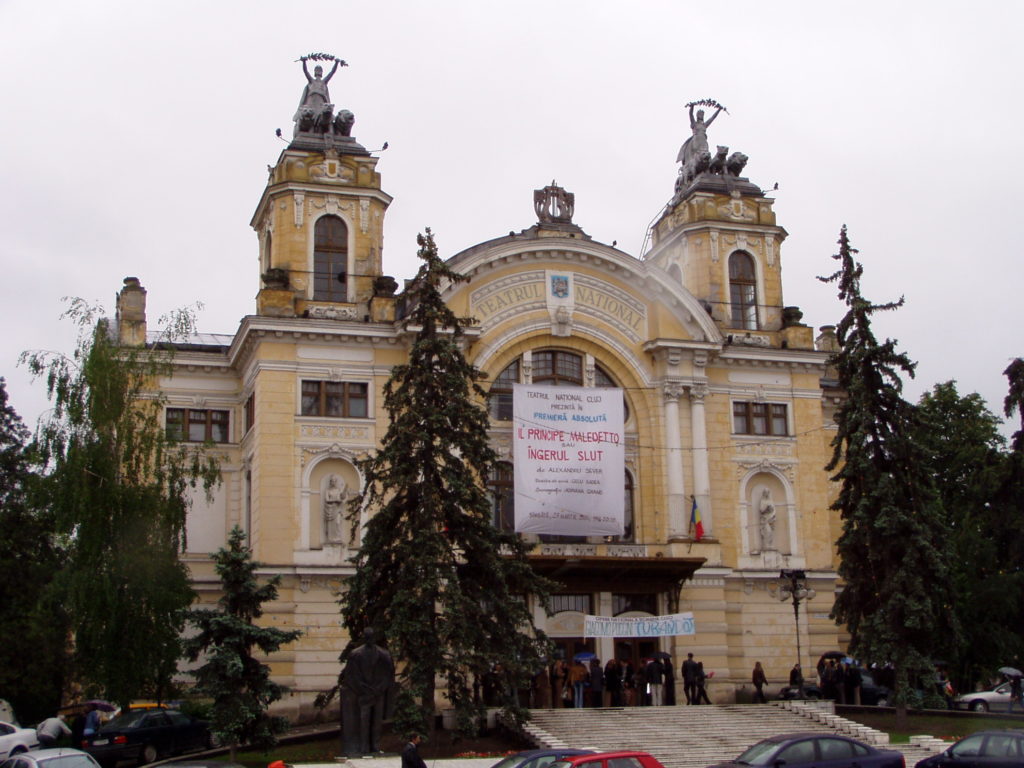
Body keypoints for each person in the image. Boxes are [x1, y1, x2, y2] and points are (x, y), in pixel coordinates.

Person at [341, 628, 395, 755]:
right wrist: (363, 689)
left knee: (377, 721)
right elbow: (351, 675)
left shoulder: (384, 654)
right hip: (363, 693)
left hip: (378, 693)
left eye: (371, 637)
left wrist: (379, 688)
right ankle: (363, 748)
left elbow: (389, 674)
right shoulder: (355, 654)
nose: (370, 639)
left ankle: (375, 746)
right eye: (367, 637)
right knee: (364, 721)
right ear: (364, 638)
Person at [294, 57, 342, 123]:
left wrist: (336, 63)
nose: (318, 72)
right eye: (317, 70)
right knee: (308, 116)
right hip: (311, 103)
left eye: (320, 71)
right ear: (314, 72)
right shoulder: (311, 81)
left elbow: (332, 73)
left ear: (322, 73)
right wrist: (304, 62)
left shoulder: (324, 82)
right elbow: (306, 71)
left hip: (321, 103)